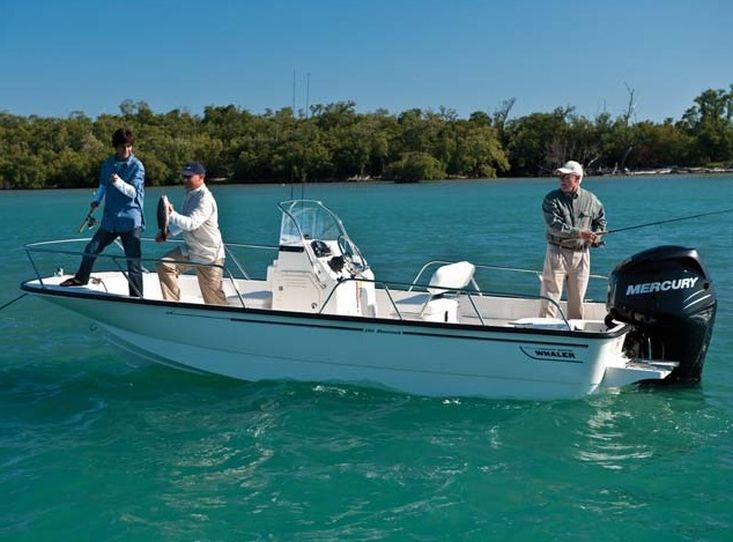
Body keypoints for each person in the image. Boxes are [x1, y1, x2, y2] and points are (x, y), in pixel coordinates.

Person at [61, 128, 145, 296]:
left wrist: (119, 182)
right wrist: (97, 201)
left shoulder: (137, 166)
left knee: (133, 262)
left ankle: (136, 296)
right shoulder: (108, 164)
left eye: (129, 146)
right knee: (91, 249)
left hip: (130, 220)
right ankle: (81, 278)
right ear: (115, 147)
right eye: (122, 146)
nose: (126, 150)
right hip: (110, 218)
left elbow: (133, 193)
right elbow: (103, 185)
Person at [538, 160, 606, 320]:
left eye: (567, 177)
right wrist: (580, 233)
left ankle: (575, 332)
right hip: (557, 252)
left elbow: (600, 220)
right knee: (550, 296)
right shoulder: (551, 199)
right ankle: (544, 329)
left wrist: (596, 237)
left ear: (578, 178)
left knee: (577, 300)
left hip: (582, 255)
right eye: (561, 177)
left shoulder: (591, 199)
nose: (562, 180)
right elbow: (554, 226)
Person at [156, 162, 227, 305]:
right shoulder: (191, 194)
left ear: (201, 177)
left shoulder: (205, 199)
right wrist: (168, 232)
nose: (185, 180)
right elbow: (185, 221)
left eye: (189, 177)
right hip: (191, 249)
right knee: (165, 265)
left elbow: (191, 223)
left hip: (208, 255)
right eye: (184, 176)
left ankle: (225, 324)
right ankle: (172, 306)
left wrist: (170, 213)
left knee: (214, 302)